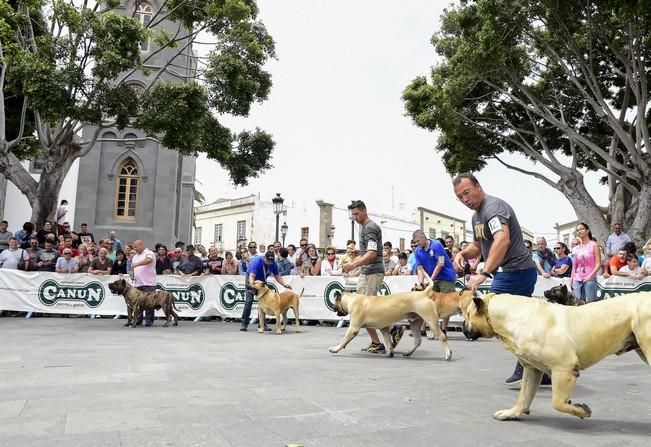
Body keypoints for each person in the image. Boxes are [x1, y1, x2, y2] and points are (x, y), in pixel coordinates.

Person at [451, 173, 544, 387]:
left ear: (478, 186)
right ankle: (536, 365)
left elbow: (502, 239)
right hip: (506, 273)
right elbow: (478, 245)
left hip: (517, 271)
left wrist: (485, 272)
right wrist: (463, 254)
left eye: (467, 192)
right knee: (516, 322)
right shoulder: (476, 217)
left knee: (498, 317)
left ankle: (532, 364)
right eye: (460, 197)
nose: (465, 199)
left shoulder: (493, 208)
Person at [341, 200, 403, 354]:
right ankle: (378, 341)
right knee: (363, 310)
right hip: (369, 272)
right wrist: (359, 254)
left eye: (356, 214)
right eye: (352, 214)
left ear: (364, 211)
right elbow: (370, 251)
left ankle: (392, 329)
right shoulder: (367, 228)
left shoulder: (369, 228)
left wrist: (352, 265)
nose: (354, 217)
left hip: (372, 272)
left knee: (363, 310)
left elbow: (372, 254)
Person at [412, 229, 457, 333]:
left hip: (446, 276)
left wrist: (430, 280)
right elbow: (420, 268)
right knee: (427, 303)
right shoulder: (418, 251)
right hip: (432, 278)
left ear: (424, 237)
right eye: (415, 242)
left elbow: (440, 264)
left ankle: (443, 329)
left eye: (418, 241)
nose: (417, 244)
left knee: (447, 303)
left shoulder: (436, 245)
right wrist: (421, 283)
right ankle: (422, 329)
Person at [240, 251, 292, 331]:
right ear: (264, 258)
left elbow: (277, 276)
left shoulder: (273, 263)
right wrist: (252, 286)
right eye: (268, 261)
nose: (269, 263)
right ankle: (244, 323)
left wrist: (284, 284)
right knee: (249, 300)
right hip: (252, 279)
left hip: (262, 281)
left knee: (264, 302)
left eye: (271, 262)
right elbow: (252, 276)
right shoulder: (257, 261)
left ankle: (262, 325)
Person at [570, 222, 601, 303]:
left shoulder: (594, 245)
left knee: (591, 304)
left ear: (587, 231)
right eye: (577, 230)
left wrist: (589, 276)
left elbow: (598, 264)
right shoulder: (576, 248)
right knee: (578, 304)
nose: (579, 231)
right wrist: (571, 280)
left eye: (582, 229)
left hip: (590, 278)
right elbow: (574, 267)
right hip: (577, 278)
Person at [131, 240, 157, 326]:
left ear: (141, 245)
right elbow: (133, 268)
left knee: (149, 303)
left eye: (136, 247)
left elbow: (148, 260)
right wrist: (133, 275)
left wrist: (136, 264)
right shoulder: (135, 256)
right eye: (134, 247)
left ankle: (149, 321)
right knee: (138, 303)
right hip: (138, 283)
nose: (135, 249)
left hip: (148, 283)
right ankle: (138, 320)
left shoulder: (149, 253)